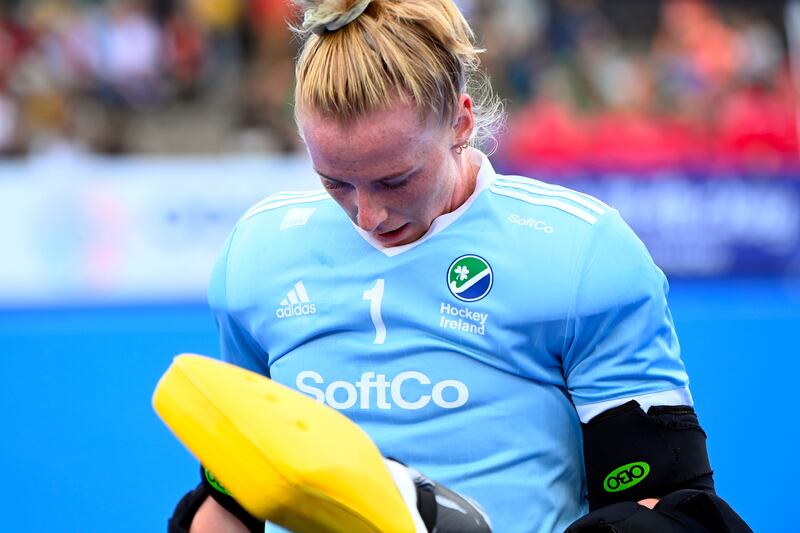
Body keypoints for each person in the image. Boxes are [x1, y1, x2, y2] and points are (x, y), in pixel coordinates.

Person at [168, 1, 751, 532]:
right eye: (335, 182)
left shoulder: (582, 253)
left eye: (396, 179)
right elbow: (234, 498)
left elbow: (666, 502)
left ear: (461, 121)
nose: (367, 215)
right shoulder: (257, 252)